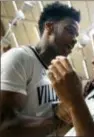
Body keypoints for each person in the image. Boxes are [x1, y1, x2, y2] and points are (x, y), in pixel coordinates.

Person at [0, 2, 80, 137]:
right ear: (49, 27)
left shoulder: (60, 73)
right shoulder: (19, 58)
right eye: (70, 31)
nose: (74, 40)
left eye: (76, 36)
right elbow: (5, 126)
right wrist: (59, 119)